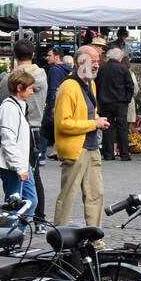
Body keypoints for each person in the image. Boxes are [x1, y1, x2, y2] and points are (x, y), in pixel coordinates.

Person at [52, 45, 110, 232]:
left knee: (96, 194)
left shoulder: (90, 84)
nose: (96, 65)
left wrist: (97, 120)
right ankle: (59, 236)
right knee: (68, 195)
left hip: (92, 146)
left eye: (97, 61)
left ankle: (96, 238)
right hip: (75, 150)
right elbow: (63, 124)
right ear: (80, 63)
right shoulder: (68, 87)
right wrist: (94, 123)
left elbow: (88, 113)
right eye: (92, 61)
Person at [0, 40, 49, 222]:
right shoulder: (43, 75)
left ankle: (14, 230)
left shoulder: (11, 78)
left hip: (22, 131)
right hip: (35, 129)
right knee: (33, 178)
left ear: (14, 56)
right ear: (33, 55)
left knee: (24, 187)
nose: (31, 91)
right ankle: (38, 220)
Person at [0, 68, 37, 211]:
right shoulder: (9, 109)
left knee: (29, 202)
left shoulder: (17, 106)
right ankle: (9, 232)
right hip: (13, 166)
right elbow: (8, 141)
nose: (32, 92)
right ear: (19, 88)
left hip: (20, 163)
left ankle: (16, 232)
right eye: (30, 88)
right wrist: (20, 168)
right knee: (16, 206)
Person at [96, 47, 136, 162]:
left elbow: (97, 85)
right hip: (120, 103)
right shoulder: (123, 69)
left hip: (105, 102)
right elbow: (130, 86)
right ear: (119, 58)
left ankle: (108, 154)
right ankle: (124, 153)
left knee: (107, 128)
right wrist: (127, 99)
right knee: (122, 127)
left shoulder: (102, 69)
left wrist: (100, 99)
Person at [41, 44, 71, 159]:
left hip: (55, 103)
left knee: (45, 127)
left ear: (57, 57)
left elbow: (54, 88)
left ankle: (41, 154)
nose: (46, 58)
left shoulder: (54, 70)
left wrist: (52, 104)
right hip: (65, 102)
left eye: (49, 55)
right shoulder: (68, 69)